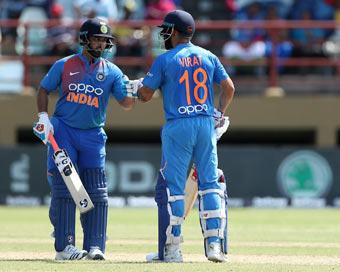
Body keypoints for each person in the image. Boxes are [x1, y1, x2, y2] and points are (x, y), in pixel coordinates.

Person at [124, 10, 235, 262]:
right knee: (209, 185)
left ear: (174, 32)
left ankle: (172, 249)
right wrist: (218, 113)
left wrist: (136, 87)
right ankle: (214, 246)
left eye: (166, 30)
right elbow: (229, 88)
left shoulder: (165, 60)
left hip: (178, 126)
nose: (164, 34)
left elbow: (145, 96)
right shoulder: (208, 56)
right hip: (206, 124)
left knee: (174, 189)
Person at [33, 18, 135, 260]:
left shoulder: (112, 71)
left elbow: (126, 104)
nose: (100, 44)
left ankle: (95, 246)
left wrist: (133, 91)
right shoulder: (65, 65)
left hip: (93, 135)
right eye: (96, 39)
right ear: (84, 39)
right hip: (64, 130)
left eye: (104, 40)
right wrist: (43, 117)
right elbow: (43, 89)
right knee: (66, 187)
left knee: (97, 190)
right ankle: (64, 247)